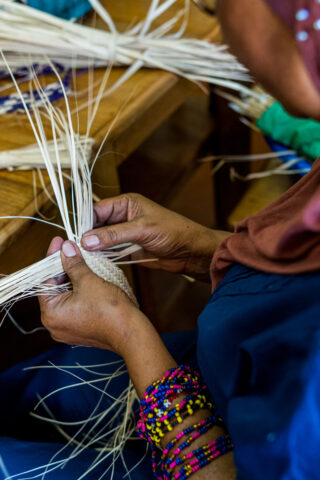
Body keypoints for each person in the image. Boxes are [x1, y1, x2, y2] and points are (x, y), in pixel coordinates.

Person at [1, 0, 320, 479]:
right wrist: (202, 248)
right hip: (233, 366)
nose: (212, 10)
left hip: (222, 454)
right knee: (33, 388)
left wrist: (130, 337)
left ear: (301, 24)